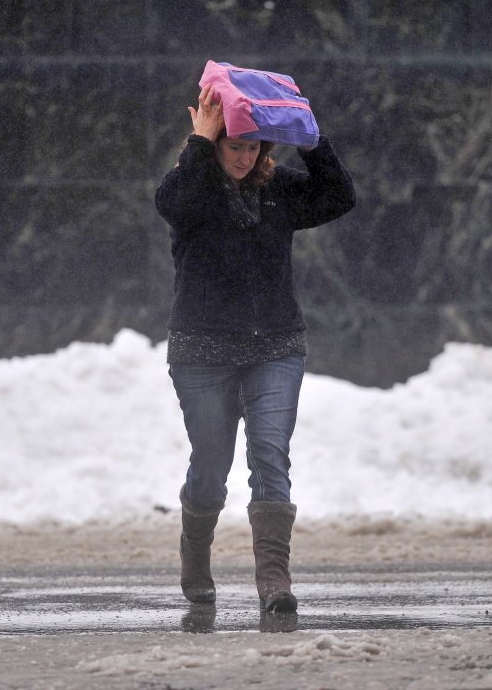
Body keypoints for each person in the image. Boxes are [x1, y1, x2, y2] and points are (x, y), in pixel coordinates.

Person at [155, 81, 356, 613]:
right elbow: (180, 207)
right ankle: (194, 553)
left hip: (275, 346)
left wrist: (309, 139)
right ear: (215, 143)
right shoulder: (186, 185)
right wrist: (200, 142)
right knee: (211, 464)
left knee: (271, 456)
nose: (244, 157)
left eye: (253, 147)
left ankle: (274, 579)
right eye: (233, 146)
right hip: (202, 351)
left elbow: (340, 197)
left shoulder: (279, 189)